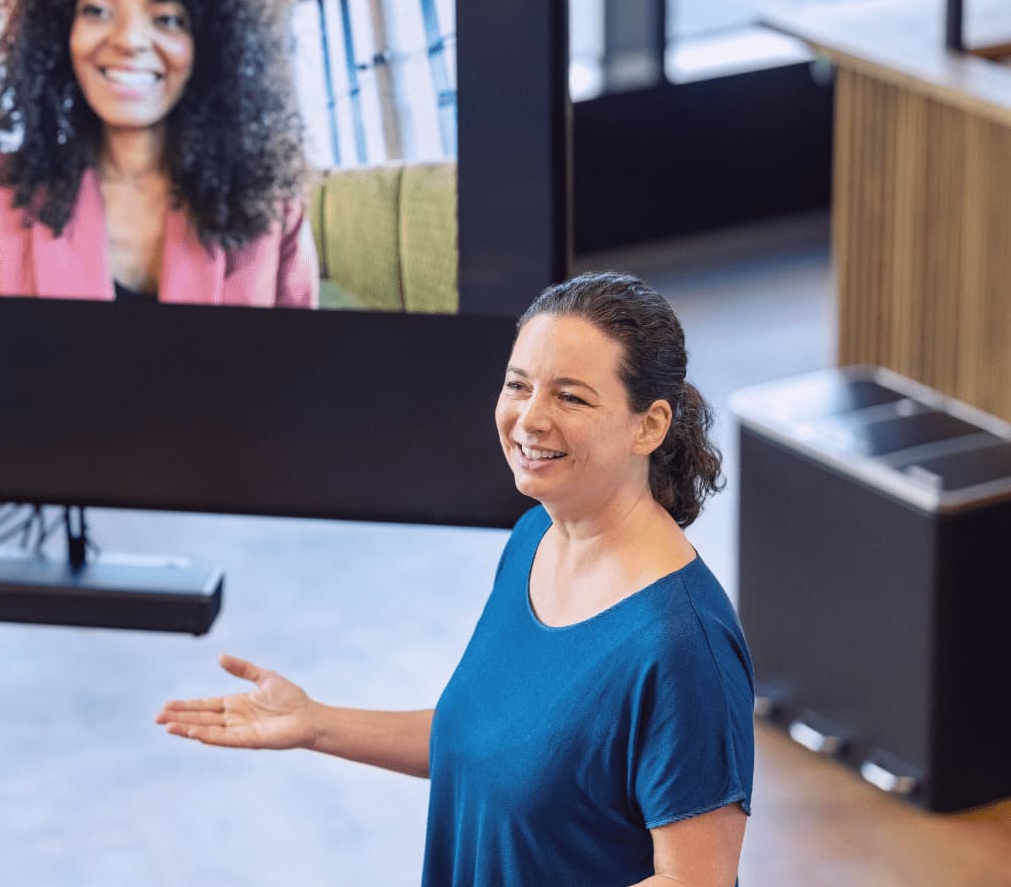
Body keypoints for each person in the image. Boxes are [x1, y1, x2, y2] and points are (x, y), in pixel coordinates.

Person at [157, 272, 754, 885]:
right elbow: (486, 742)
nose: (530, 419)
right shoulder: (535, 540)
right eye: (518, 385)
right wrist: (317, 722)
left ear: (649, 426)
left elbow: (693, 881)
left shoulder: (684, 645)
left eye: (571, 397)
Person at [0, 0, 316, 306]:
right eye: (97, 9)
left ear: (213, 45)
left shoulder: (272, 208)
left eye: (167, 18)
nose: (128, 40)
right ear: (58, 32)